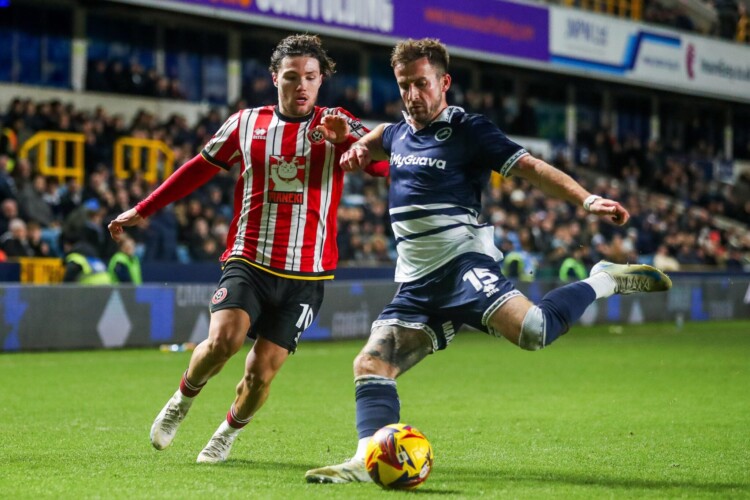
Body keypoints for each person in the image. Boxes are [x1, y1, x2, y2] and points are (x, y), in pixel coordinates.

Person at [304, 38, 672, 484]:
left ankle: (604, 279)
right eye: (404, 85)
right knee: (370, 364)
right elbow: (372, 142)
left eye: (422, 83)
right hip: (418, 282)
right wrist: (357, 146)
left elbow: (531, 168)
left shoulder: (469, 130)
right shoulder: (395, 134)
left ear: (444, 82)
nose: (413, 94)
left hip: (463, 264)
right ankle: (367, 461)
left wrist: (587, 199)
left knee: (535, 331)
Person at [108, 34, 387, 464]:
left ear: (320, 80)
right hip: (249, 259)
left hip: (306, 274)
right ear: (275, 78)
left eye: (310, 77)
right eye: (291, 76)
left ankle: (226, 433)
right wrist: (143, 209)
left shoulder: (339, 123)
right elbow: (198, 168)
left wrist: (347, 143)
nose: (301, 85)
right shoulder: (245, 123)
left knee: (259, 375)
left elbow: (383, 168)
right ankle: (182, 400)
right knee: (223, 341)